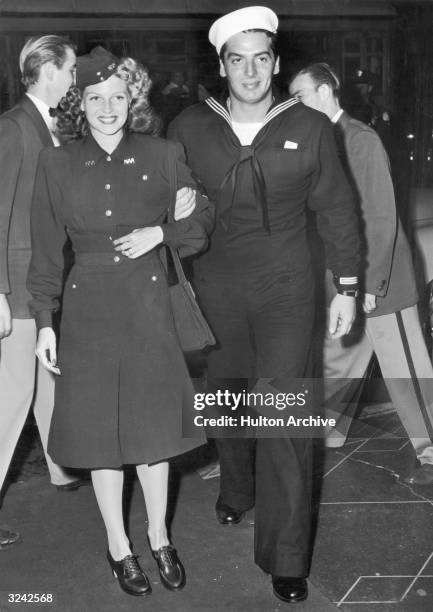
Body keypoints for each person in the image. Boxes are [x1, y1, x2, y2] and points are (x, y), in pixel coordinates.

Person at [168, 6, 360, 604]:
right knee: (226, 397)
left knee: (282, 413)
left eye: (260, 58)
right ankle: (237, 488)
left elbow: (336, 209)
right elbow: (165, 205)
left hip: (286, 287)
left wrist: (348, 287)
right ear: (222, 66)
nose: (249, 71)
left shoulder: (310, 124)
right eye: (236, 59)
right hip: (216, 284)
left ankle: (286, 555)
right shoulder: (189, 127)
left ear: (275, 62)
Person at [27, 47, 213, 596]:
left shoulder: (164, 153)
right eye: (94, 97)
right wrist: (44, 321)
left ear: (133, 98)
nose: (107, 107)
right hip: (87, 310)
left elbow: (201, 217)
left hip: (150, 305)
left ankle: (159, 536)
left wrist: (164, 234)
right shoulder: (55, 164)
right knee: (102, 435)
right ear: (78, 105)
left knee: (153, 430)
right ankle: (119, 545)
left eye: (116, 96)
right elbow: (44, 253)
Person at [289, 62, 433, 486]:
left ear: (326, 90)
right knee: (338, 359)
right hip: (343, 282)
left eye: (300, 96)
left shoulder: (360, 139)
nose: (294, 106)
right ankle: (329, 433)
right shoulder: (321, 142)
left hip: (378, 282)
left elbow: (380, 216)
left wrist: (369, 283)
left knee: (405, 368)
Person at [0, 35, 83, 551]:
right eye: (71, 69)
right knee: (11, 400)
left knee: (49, 383)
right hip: (19, 289)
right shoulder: (13, 127)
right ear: (48, 69)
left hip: (42, 286)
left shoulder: (45, 125)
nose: (75, 79)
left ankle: (60, 468)